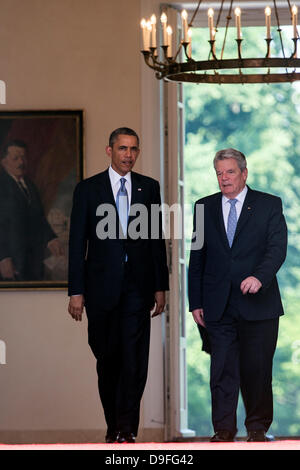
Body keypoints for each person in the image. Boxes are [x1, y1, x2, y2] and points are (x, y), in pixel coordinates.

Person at [68, 127, 169, 443]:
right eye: (123, 148)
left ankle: (126, 428)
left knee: (134, 360)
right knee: (108, 358)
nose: (129, 155)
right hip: (100, 289)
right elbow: (76, 243)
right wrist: (76, 291)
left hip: (137, 288)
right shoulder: (88, 190)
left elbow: (155, 240)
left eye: (134, 149)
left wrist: (160, 286)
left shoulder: (148, 188)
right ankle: (114, 424)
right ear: (109, 150)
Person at [188, 148, 287, 443]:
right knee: (221, 370)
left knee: (257, 369)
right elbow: (197, 258)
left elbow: (276, 249)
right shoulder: (203, 207)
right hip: (217, 304)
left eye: (230, 172)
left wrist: (259, 277)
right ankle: (223, 429)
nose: (224, 178)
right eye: (219, 173)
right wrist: (196, 302)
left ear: (244, 173)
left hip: (259, 304)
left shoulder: (269, 205)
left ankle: (257, 428)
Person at [0, 140, 61, 281]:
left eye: (23, 157)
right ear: (4, 162)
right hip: (10, 261)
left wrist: (51, 238)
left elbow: (39, 217)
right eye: (16, 158)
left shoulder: (30, 185)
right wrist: (2, 257)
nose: (21, 162)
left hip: (33, 260)